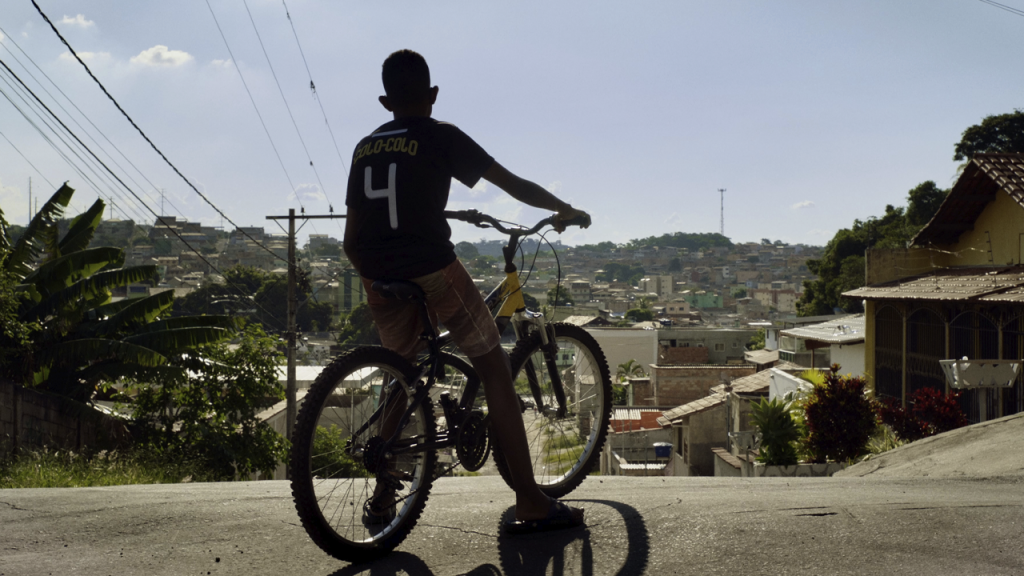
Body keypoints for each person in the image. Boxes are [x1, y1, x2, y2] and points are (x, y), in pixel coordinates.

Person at [343, 49, 588, 534]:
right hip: (429, 264)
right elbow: (513, 184)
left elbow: (357, 227)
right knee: (493, 366)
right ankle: (531, 501)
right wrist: (565, 208)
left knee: (402, 370)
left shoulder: (363, 146)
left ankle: (383, 497)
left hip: (373, 270)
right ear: (433, 95)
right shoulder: (441, 136)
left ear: (384, 100)